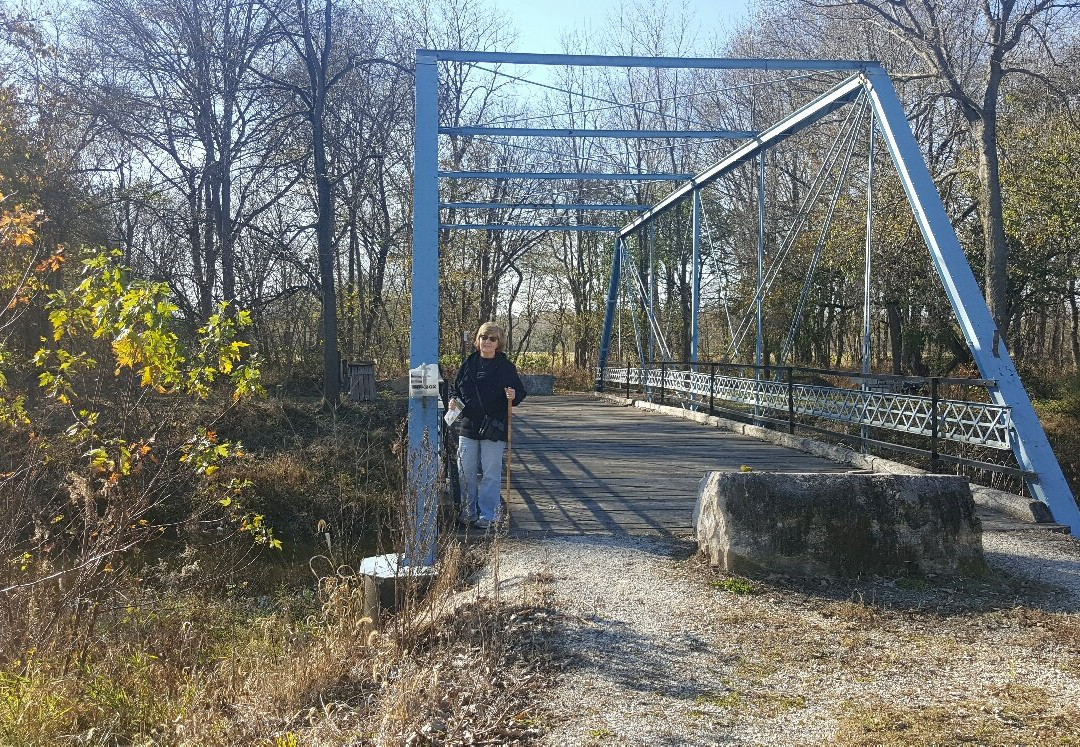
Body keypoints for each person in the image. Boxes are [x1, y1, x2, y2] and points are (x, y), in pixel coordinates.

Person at [450, 322, 526, 529]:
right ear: (478, 340)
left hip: (494, 427)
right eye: (484, 337)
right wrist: (452, 402)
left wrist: (513, 395)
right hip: (468, 425)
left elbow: (519, 393)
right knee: (465, 471)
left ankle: (489, 514)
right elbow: (455, 390)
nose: (487, 342)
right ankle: (468, 511)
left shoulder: (506, 367)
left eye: (492, 338)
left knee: (491, 473)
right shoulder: (467, 365)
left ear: (498, 342)